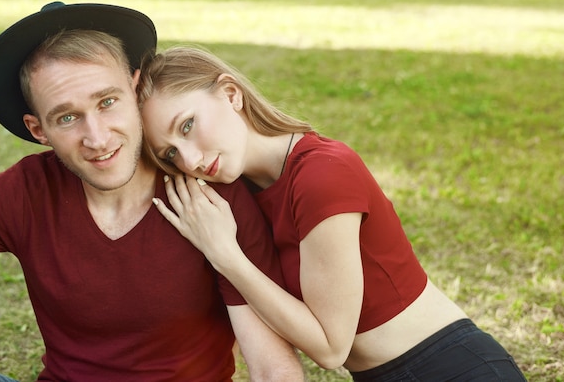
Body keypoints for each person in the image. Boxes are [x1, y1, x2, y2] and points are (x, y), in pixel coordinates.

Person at [0, 3, 305, 381]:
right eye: (67, 118)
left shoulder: (213, 202)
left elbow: (272, 368)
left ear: (134, 89)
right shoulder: (24, 192)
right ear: (38, 130)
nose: (97, 139)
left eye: (107, 102)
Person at [136, 45, 528, 381]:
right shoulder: (244, 193)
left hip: (447, 367)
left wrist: (226, 256)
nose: (188, 159)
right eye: (169, 152)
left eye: (187, 125)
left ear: (231, 94)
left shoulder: (321, 173)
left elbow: (330, 347)